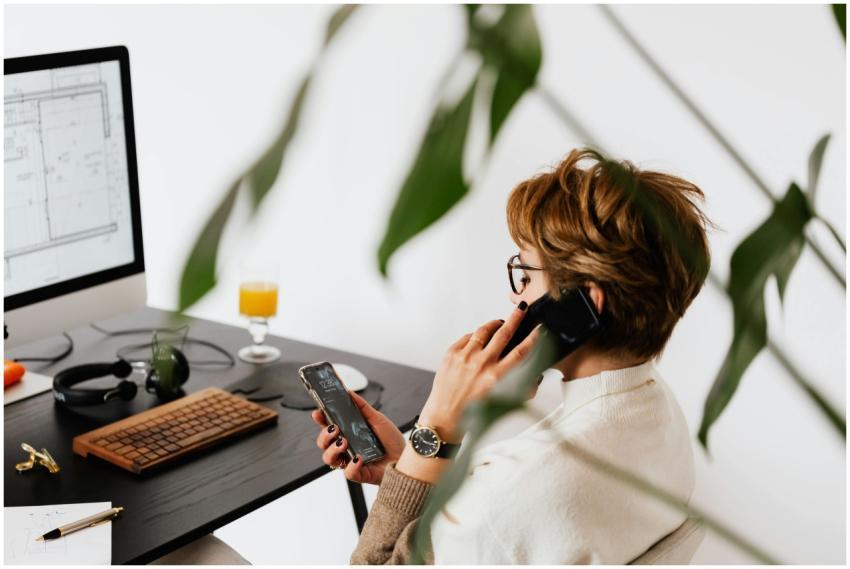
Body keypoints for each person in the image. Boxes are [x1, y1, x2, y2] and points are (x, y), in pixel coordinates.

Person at [312, 148, 712, 564]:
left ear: (586, 304)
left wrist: (437, 424)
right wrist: (412, 463)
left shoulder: (505, 502)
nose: (514, 293)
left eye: (525, 274)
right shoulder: (658, 413)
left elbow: (497, 516)